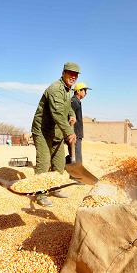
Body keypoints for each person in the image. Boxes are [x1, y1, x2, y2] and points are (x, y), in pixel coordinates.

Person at [31, 62, 79, 207]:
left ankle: (54, 188)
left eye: (75, 75)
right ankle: (40, 194)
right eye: (70, 73)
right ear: (63, 72)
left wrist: (71, 114)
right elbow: (57, 114)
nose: (73, 77)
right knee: (44, 163)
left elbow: (67, 106)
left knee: (59, 164)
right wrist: (70, 132)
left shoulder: (67, 90)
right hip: (43, 131)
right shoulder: (55, 89)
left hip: (56, 132)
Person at [69, 82, 92, 164]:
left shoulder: (76, 101)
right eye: (85, 90)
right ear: (78, 91)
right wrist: (72, 132)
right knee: (77, 154)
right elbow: (70, 117)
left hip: (76, 133)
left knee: (74, 154)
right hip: (75, 134)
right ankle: (77, 173)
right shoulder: (74, 101)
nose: (86, 93)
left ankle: (73, 169)